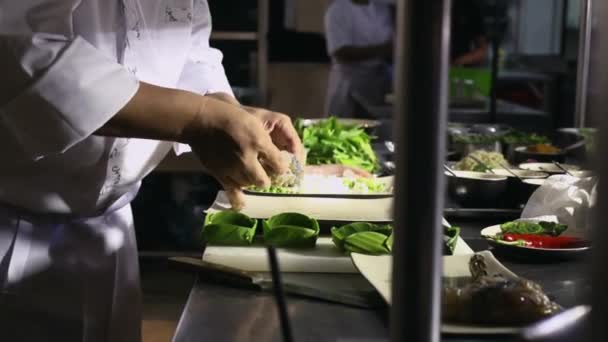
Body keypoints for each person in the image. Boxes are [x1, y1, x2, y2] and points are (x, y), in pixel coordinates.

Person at [0, 1, 358, 341]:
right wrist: (195, 118)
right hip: (12, 227)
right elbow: (19, 50)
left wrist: (226, 109)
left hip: (109, 229)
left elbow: (189, 48)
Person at [324, 0, 394, 118]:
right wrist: (382, 50)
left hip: (378, 83)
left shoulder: (381, 9)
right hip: (349, 86)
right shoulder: (338, 10)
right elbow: (341, 52)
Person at [451, 0, 488, 66]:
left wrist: (458, 62)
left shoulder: (470, 8)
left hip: (459, 69)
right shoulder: (429, 6)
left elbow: (482, 52)